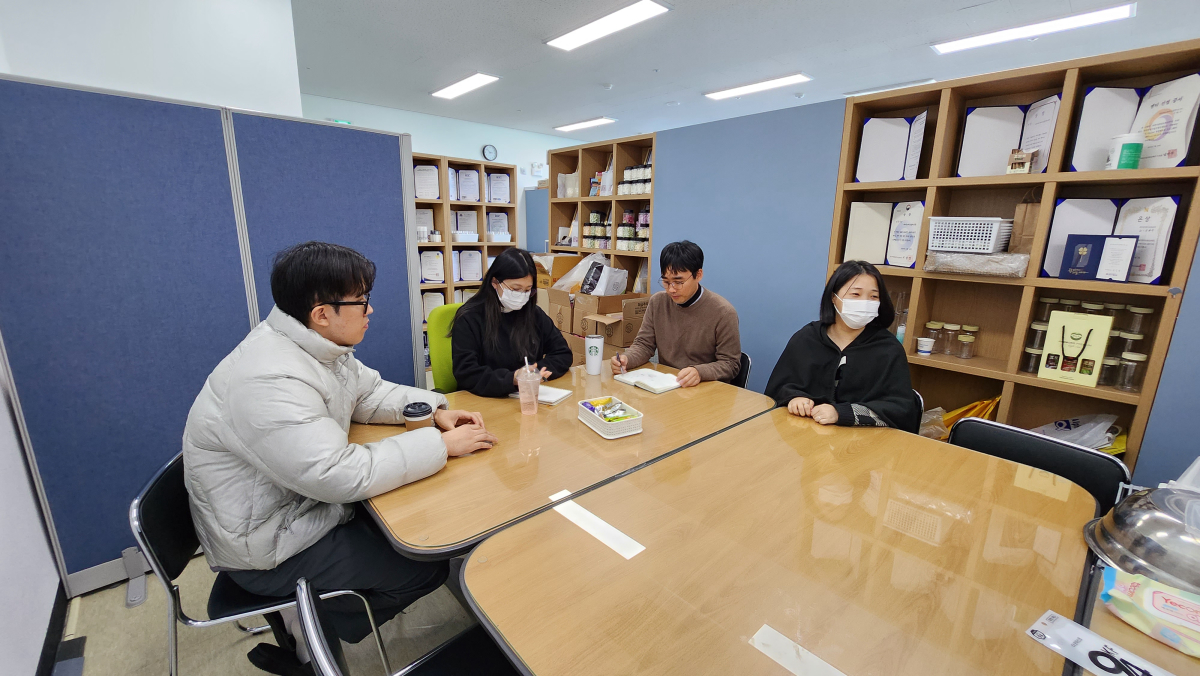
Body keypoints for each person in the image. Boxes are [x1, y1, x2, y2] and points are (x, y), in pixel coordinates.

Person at [183, 241, 497, 675]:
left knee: (414, 523)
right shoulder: (270, 379)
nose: (370, 310)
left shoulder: (314, 347)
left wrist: (433, 411)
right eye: (361, 300)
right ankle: (310, 638)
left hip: (297, 510)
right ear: (321, 313)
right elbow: (335, 475)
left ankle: (309, 619)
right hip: (270, 546)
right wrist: (440, 446)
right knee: (424, 568)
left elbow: (368, 393)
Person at [765, 260, 920, 432]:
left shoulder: (888, 348)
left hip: (862, 440)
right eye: (855, 294)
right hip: (806, 433)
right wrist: (794, 399)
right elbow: (777, 390)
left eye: (874, 296)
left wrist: (842, 413)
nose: (865, 302)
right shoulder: (807, 338)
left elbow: (900, 411)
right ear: (834, 297)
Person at [610, 240, 741, 386]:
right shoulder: (658, 302)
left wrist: (699, 372)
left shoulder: (723, 312)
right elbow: (644, 345)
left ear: (698, 275)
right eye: (666, 282)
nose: (671, 289)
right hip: (667, 384)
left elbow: (730, 364)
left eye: (678, 282)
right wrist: (627, 359)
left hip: (706, 388)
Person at [452, 247, 573, 397]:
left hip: (527, 396)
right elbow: (467, 373)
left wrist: (534, 372)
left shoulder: (533, 313)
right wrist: (512, 379)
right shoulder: (469, 318)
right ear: (495, 282)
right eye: (516, 289)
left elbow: (562, 353)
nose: (522, 296)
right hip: (484, 399)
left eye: (527, 290)